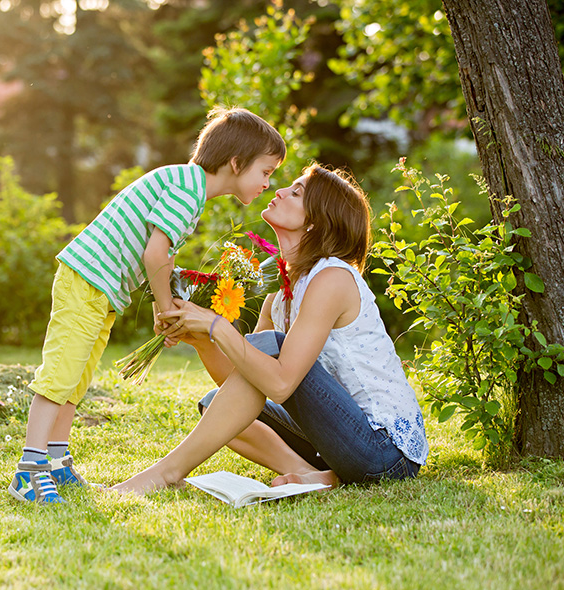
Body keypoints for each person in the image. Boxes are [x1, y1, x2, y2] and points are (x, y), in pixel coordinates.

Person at [9, 107, 287, 503]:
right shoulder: (188, 188)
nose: (267, 182)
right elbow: (155, 254)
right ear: (236, 163)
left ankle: (56, 460)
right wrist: (166, 307)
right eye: (266, 171)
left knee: (77, 376)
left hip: (99, 287)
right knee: (61, 371)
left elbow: (163, 254)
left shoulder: (187, 186)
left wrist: (165, 305)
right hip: (87, 280)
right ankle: (29, 469)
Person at [112, 164, 429, 494]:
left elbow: (279, 384)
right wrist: (202, 340)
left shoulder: (332, 278)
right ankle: (308, 473)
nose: (279, 191)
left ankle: (166, 473)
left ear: (316, 221)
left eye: (296, 192)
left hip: (386, 453)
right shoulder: (280, 296)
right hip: (336, 440)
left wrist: (217, 326)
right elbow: (245, 380)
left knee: (271, 344)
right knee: (215, 405)